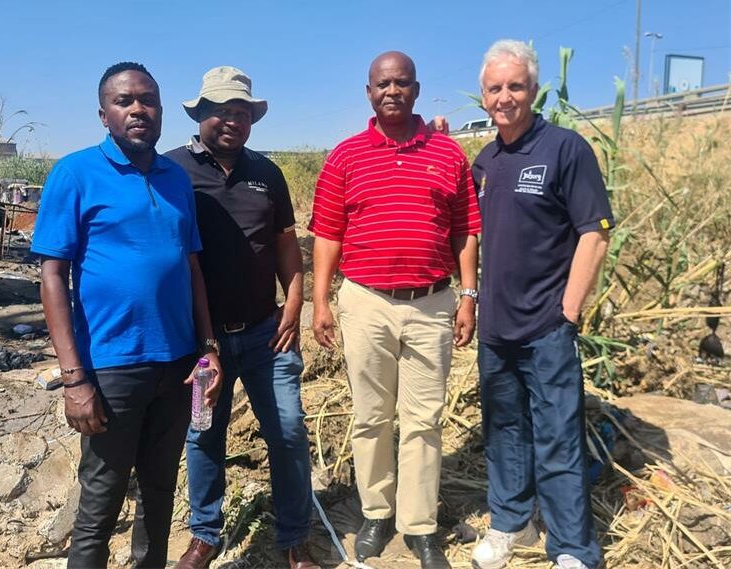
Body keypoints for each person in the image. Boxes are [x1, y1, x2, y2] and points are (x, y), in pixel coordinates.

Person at [32, 62, 222, 568]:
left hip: (179, 364)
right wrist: (75, 379)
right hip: (113, 367)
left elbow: (192, 267)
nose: (138, 109)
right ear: (104, 114)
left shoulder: (176, 180)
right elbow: (53, 277)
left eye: (148, 100)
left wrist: (207, 348)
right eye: (124, 101)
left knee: (160, 493)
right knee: (101, 499)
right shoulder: (74, 174)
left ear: (160, 110)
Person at [310, 51, 481, 569]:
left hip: (431, 303)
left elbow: (464, 230)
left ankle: (420, 525)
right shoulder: (345, 156)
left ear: (416, 89)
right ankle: (377, 512)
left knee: (424, 419)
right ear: (368, 92)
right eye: (382, 83)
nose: (391, 91)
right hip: (365, 303)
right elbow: (327, 233)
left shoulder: (448, 154)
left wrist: (468, 294)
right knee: (370, 417)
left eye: (401, 83)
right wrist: (320, 299)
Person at [165, 66, 319, 569]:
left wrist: (293, 305)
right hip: (199, 345)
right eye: (222, 111)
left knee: (290, 431)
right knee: (202, 432)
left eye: (242, 113)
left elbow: (286, 249)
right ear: (201, 114)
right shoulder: (172, 172)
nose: (233, 121)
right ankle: (205, 534)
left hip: (263, 335)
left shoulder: (266, 173)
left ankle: (294, 536)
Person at [469, 40, 613, 569]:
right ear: (483, 97)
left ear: (533, 90)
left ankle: (572, 547)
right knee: (504, 432)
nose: (504, 97)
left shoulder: (565, 148)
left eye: (515, 86)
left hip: (547, 326)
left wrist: (568, 311)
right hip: (495, 328)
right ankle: (511, 523)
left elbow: (594, 234)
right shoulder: (485, 161)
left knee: (557, 436)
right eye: (494, 88)